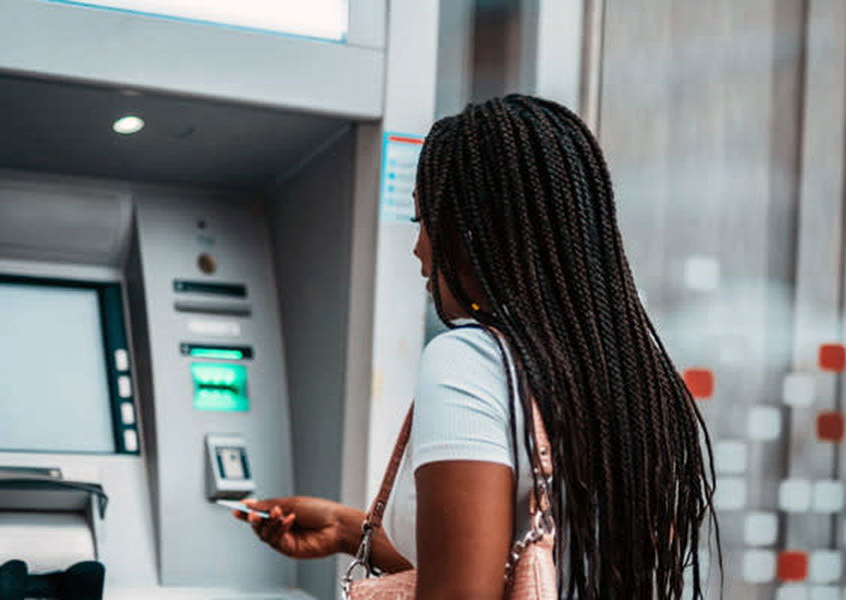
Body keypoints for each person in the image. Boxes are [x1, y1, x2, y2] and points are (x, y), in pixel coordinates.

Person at [235, 95, 718, 599]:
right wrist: (342, 527)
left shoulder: (469, 361)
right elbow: (518, 562)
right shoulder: (632, 379)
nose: (418, 247)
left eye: (422, 221)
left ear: (469, 232)